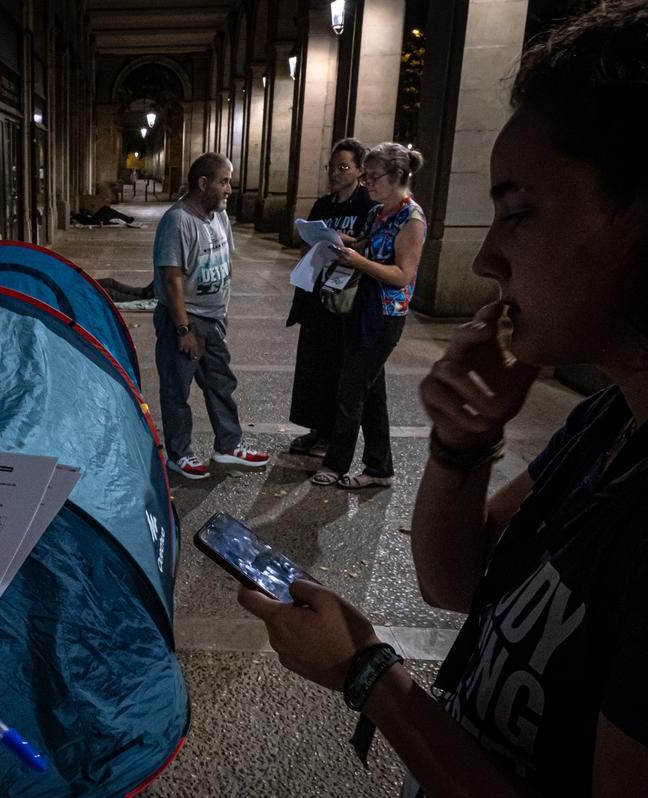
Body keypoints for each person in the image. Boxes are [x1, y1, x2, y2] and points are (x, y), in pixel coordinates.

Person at [240, 3, 648, 794]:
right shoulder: (610, 421)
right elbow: (455, 583)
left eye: (519, 213)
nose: (488, 255)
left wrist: (370, 678)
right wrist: (462, 445)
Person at [309, 142, 427, 489]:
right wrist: (348, 243)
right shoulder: (378, 213)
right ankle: (379, 468)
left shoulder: (412, 218)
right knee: (373, 393)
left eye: (374, 177)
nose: (368, 183)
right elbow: (369, 246)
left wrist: (357, 261)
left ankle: (335, 463)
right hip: (363, 307)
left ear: (397, 176)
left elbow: (403, 275)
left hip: (386, 313)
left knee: (350, 389)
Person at [153, 152, 271, 480]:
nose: (229, 189)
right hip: (186, 318)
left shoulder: (218, 216)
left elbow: (225, 260)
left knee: (220, 384)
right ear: (203, 183)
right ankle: (179, 455)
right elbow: (172, 279)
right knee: (177, 390)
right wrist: (183, 328)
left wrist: (222, 312)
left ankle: (229, 446)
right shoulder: (177, 221)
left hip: (213, 319)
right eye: (224, 181)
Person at [287, 138, 378, 458]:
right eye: (332, 167)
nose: (335, 173)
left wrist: (348, 243)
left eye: (344, 167)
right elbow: (303, 244)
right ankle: (317, 429)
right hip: (317, 295)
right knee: (315, 366)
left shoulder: (367, 206)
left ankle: (333, 436)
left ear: (359, 171)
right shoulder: (324, 205)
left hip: (347, 299)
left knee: (340, 368)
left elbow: (374, 246)